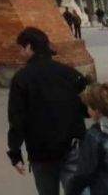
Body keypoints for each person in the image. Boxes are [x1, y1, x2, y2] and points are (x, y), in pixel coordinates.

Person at [8, 26, 89, 194]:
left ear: (29, 47)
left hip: (41, 151)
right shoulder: (69, 73)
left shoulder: (21, 79)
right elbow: (87, 107)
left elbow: (17, 118)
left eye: (21, 48)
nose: (20, 53)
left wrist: (15, 151)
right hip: (72, 145)